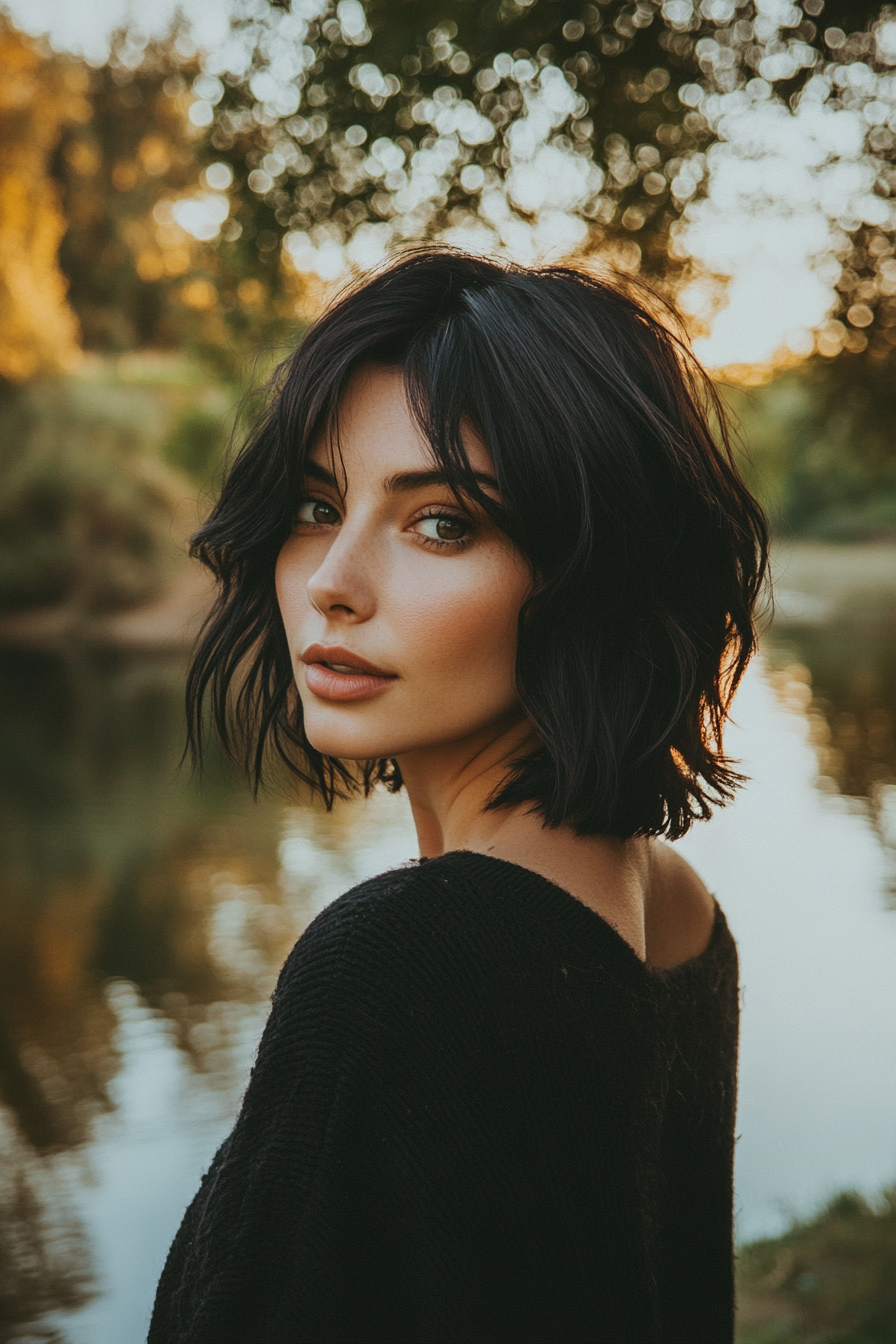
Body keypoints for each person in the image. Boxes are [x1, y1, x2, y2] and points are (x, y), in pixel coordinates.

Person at [149, 249, 768, 1344]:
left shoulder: (399, 962)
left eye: (442, 523)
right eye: (314, 503)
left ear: (591, 574)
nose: (332, 580)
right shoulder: (677, 913)